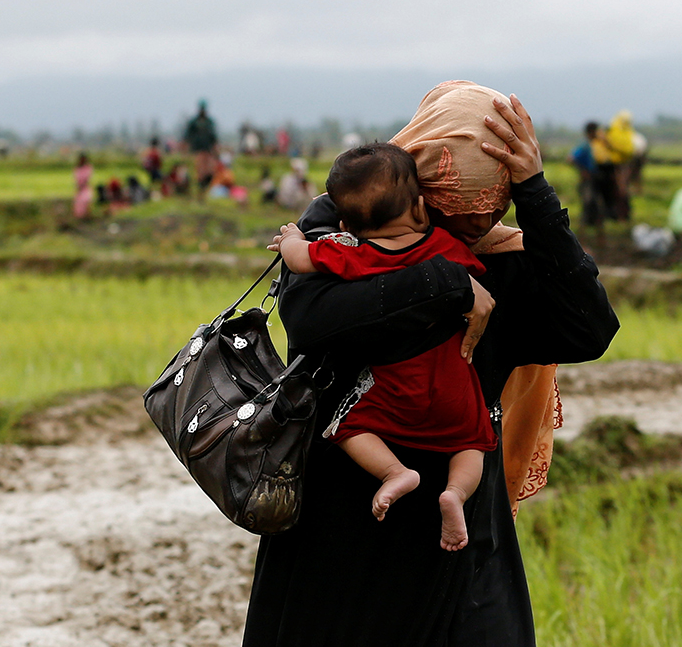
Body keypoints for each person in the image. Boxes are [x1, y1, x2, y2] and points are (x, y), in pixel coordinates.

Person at [242, 81, 620, 646]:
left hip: (463, 534)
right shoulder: (351, 214)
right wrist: (444, 281)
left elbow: (588, 330)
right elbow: (309, 317)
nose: (475, 223)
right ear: (419, 180)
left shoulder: (508, 257)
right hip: (347, 531)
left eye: (495, 203)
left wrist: (537, 197)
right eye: (459, 206)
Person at [270, 142, 498, 552]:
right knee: (473, 441)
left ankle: (395, 473)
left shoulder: (353, 251)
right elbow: (475, 271)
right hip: (454, 382)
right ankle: (455, 494)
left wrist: (292, 236)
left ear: (345, 222)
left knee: (348, 429)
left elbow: (300, 259)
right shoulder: (445, 249)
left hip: (394, 387)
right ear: (420, 207)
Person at [568, 121, 606, 234]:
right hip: (587, 181)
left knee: (596, 207)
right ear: (593, 132)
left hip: (592, 180)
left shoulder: (590, 145)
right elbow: (571, 159)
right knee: (588, 205)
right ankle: (583, 237)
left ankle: (596, 237)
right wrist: (583, 171)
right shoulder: (584, 145)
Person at [183, 99, 218, 193]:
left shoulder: (209, 122)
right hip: (196, 149)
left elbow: (213, 137)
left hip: (207, 149)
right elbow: (187, 136)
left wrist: (215, 150)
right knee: (199, 170)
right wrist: (185, 149)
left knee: (209, 170)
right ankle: (198, 187)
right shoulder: (194, 122)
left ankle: (205, 187)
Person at [73, 153, 93, 219]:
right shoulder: (77, 168)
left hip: (85, 188)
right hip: (79, 189)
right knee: (78, 204)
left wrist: (82, 185)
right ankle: (81, 218)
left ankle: (87, 217)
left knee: (86, 202)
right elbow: (76, 179)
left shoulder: (88, 168)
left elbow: (87, 179)